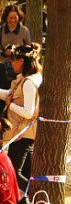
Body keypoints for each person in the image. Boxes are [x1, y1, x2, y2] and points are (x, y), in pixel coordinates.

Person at [0, 44, 39, 183]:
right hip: (24, 133)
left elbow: (29, 112)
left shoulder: (28, 83)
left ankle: (29, 198)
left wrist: (11, 106)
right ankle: (31, 200)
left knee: (14, 174)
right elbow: (11, 95)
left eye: (14, 60)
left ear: (21, 61)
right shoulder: (28, 79)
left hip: (22, 133)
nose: (12, 64)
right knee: (27, 173)